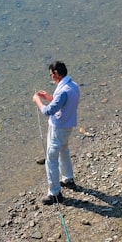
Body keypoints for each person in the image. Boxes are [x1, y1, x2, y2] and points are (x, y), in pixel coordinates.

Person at [32, 61, 81, 205]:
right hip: (68, 126)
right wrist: (48, 97)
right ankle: (68, 178)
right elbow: (63, 103)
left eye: (51, 75)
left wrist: (37, 101)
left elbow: (48, 111)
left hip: (58, 128)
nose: (51, 78)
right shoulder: (73, 86)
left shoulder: (63, 91)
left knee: (51, 159)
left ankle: (54, 193)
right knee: (64, 151)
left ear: (56, 74)